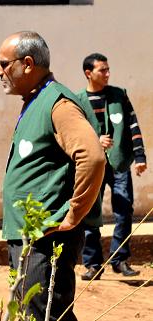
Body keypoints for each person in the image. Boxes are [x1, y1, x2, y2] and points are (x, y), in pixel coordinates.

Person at [0, 31, 105, 321]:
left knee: (45, 313)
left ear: (28, 64)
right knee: (32, 311)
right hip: (28, 235)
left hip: (45, 238)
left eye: (4, 64)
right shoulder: (36, 100)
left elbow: (92, 157)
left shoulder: (58, 103)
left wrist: (73, 213)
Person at [77, 53, 147, 280]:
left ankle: (120, 259)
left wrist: (140, 156)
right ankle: (93, 264)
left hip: (119, 164)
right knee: (89, 214)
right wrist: (95, 142)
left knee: (124, 210)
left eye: (108, 70)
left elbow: (133, 125)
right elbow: (74, 135)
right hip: (92, 166)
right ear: (89, 73)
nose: (107, 74)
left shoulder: (119, 96)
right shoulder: (78, 101)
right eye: (102, 70)